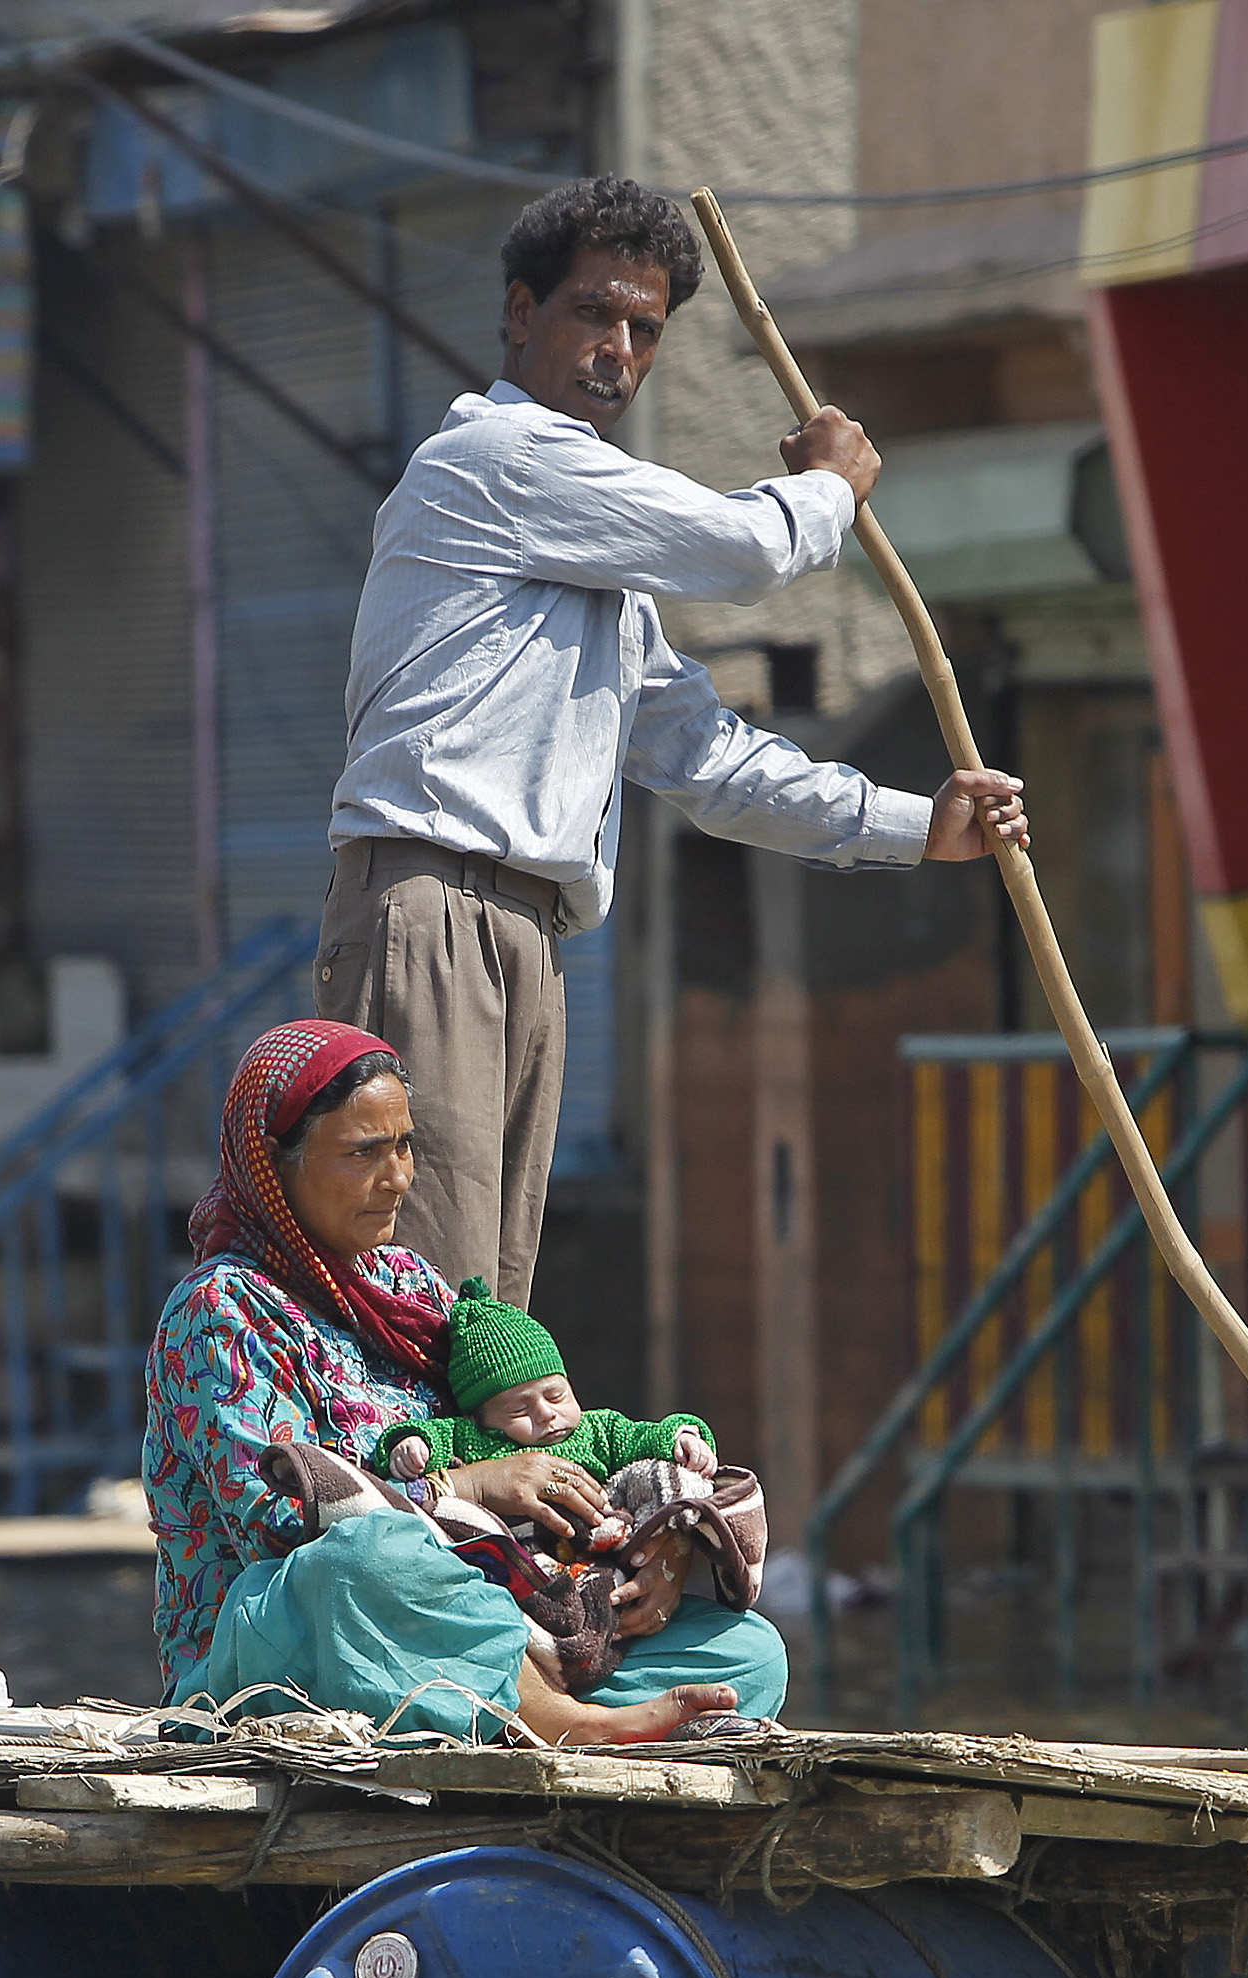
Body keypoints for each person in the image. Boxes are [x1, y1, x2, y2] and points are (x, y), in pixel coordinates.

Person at [319, 173, 1029, 1306]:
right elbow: (745, 550)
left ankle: (479, 1478)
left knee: (490, 1304)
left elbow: (710, 761)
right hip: (432, 913)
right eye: (590, 313)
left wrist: (914, 824)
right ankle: (412, 1484)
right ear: (519, 313)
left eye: (641, 329)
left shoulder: (599, 568)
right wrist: (829, 492)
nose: (615, 348)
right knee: (426, 1283)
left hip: (521, 932)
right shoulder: (496, 461)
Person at [142, 1018, 787, 1743]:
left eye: (404, 1146)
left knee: (747, 1652)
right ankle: (575, 1726)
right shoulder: (218, 1310)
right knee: (364, 1557)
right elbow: (278, 1524)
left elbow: (543, 1443)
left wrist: (658, 1552)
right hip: (294, 1641)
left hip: (488, 1610)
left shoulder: (412, 1285)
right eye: (364, 1153)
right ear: (275, 1163)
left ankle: (520, 1699)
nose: (399, 1178)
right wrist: (472, 1486)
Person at [375, 1277, 714, 1480]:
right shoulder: (472, 1438)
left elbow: (646, 1436)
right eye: (520, 1410)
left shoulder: (600, 1432)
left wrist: (682, 1438)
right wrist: (413, 1447)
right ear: (480, 1418)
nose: (546, 1414)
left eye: (555, 1396)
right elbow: (435, 1436)